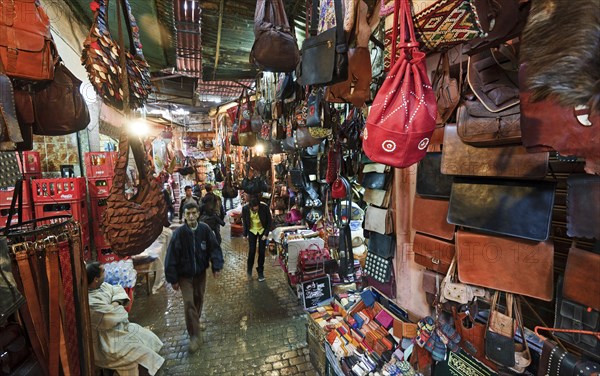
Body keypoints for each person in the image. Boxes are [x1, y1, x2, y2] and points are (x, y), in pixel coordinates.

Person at [86, 262, 165, 375]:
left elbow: (117, 289)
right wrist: (116, 305)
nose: (105, 273)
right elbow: (111, 317)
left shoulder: (102, 286)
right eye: (103, 272)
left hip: (120, 329)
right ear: (96, 279)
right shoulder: (90, 301)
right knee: (140, 352)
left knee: (148, 337)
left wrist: (114, 303)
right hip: (107, 341)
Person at [165, 202, 224, 353]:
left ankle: (195, 322)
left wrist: (216, 266)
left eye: (193, 213)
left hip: (200, 274)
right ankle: (195, 336)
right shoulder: (179, 234)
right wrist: (173, 279)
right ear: (184, 216)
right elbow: (170, 257)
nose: (191, 216)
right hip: (184, 276)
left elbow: (214, 248)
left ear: (198, 214)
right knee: (189, 303)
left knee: (199, 299)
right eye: (187, 214)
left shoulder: (204, 229)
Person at [241, 196, 272, 282]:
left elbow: (269, 221)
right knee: (252, 251)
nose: (255, 211)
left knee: (262, 252)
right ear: (250, 207)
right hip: (252, 231)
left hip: (262, 230)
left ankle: (260, 272)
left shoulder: (264, 207)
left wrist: (266, 234)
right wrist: (244, 234)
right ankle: (249, 272)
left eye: (257, 209)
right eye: (254, 210)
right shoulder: (245, 209)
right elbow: (245, 222)